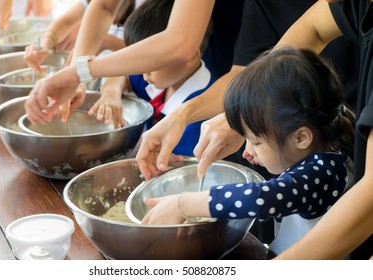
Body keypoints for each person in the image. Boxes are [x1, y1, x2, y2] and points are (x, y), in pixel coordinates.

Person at [141, 46, 355, 256]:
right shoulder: (317, 153)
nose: (247, 152)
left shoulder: (325, 173)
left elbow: (262, 199)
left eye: (256, 142)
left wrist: (182, 205)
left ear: (301, 138)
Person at [135, 0, 360, 181]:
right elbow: (243, 71)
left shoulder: (326, 168)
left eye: (256, 141)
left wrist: (193, 205)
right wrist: (181, 116)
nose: (248, 150)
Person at [23, 0, 245, 125]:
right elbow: (104, 7)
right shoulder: (149, 79)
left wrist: (80, 72)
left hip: (240, 42)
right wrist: (76, 74)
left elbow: (180, 42)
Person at [89, 0, 214, 156]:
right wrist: (111, 93)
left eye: (150, 66)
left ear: (189, 56)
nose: (142, 73)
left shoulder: (202, 113)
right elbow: (122, 76)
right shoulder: (163, 79)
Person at [23, 0, 136, 72]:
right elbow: (66, 21)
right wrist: (45, 44)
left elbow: (149, 52)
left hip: (131, 78)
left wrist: (107, 42)